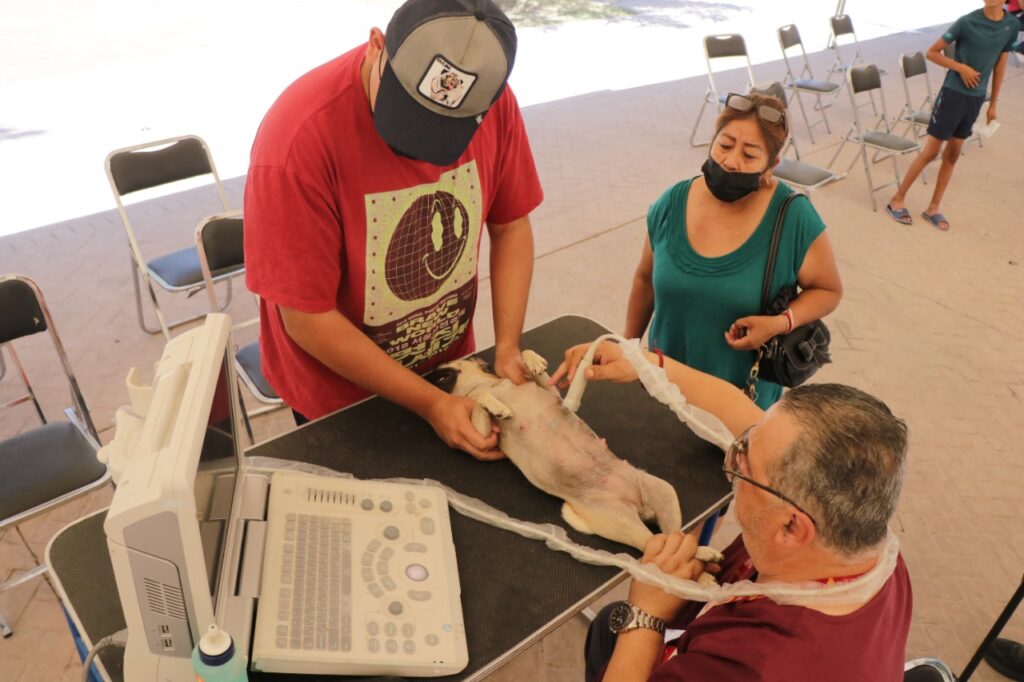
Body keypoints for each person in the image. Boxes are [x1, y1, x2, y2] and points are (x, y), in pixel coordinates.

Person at [243, 0, 543, 459]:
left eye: (445, 131)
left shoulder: (492, 102)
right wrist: (431, 405)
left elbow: (510, 226)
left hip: (447, 364)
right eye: (409, 112)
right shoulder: (297, 141)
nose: (418, 150)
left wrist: (506, 346)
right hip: (339, 396)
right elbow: (307, 318)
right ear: (376, 46)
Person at [549, 343, 912, 681]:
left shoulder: (753, 665)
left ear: (792, 527)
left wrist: (646, 613)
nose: (733, 457)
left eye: (744, 464)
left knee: (615, 628)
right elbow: (739, 414)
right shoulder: (872, 549)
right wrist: (648, 364)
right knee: (605, 628)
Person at [624, 92, 842, 410]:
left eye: (750, 155)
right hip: (663, 389)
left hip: (739, 406)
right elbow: (644, 281)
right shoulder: (672, 202)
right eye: (725, 145)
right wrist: (628, 351)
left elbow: (828, 290)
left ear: (771, 165)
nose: (730, 161)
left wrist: (779, 323)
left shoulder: (793, 217)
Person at [886, 0, 1018, 231]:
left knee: (953, 154)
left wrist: (993, 104)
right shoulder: (967, 22)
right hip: (953, 95)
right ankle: (897, 199)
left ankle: (933, 208)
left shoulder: (1011, 26)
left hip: (976, 98)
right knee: (931, 152)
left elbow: (1000, 67)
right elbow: (932, 53)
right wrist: (961, 68)